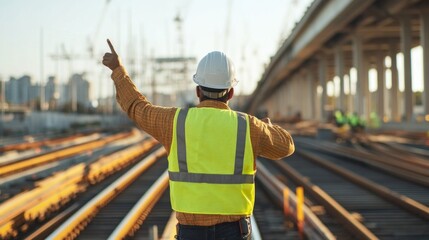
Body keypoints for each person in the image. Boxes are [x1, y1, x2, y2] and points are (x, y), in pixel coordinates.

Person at [102, 39, 295, 240]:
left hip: (190, 233)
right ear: (231, 92)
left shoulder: (175, 122)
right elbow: (286, 145)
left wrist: (118, 70)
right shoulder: (249, 127)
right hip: (234, 232)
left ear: (198, 91)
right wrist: (267, 127)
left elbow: (136, 107)